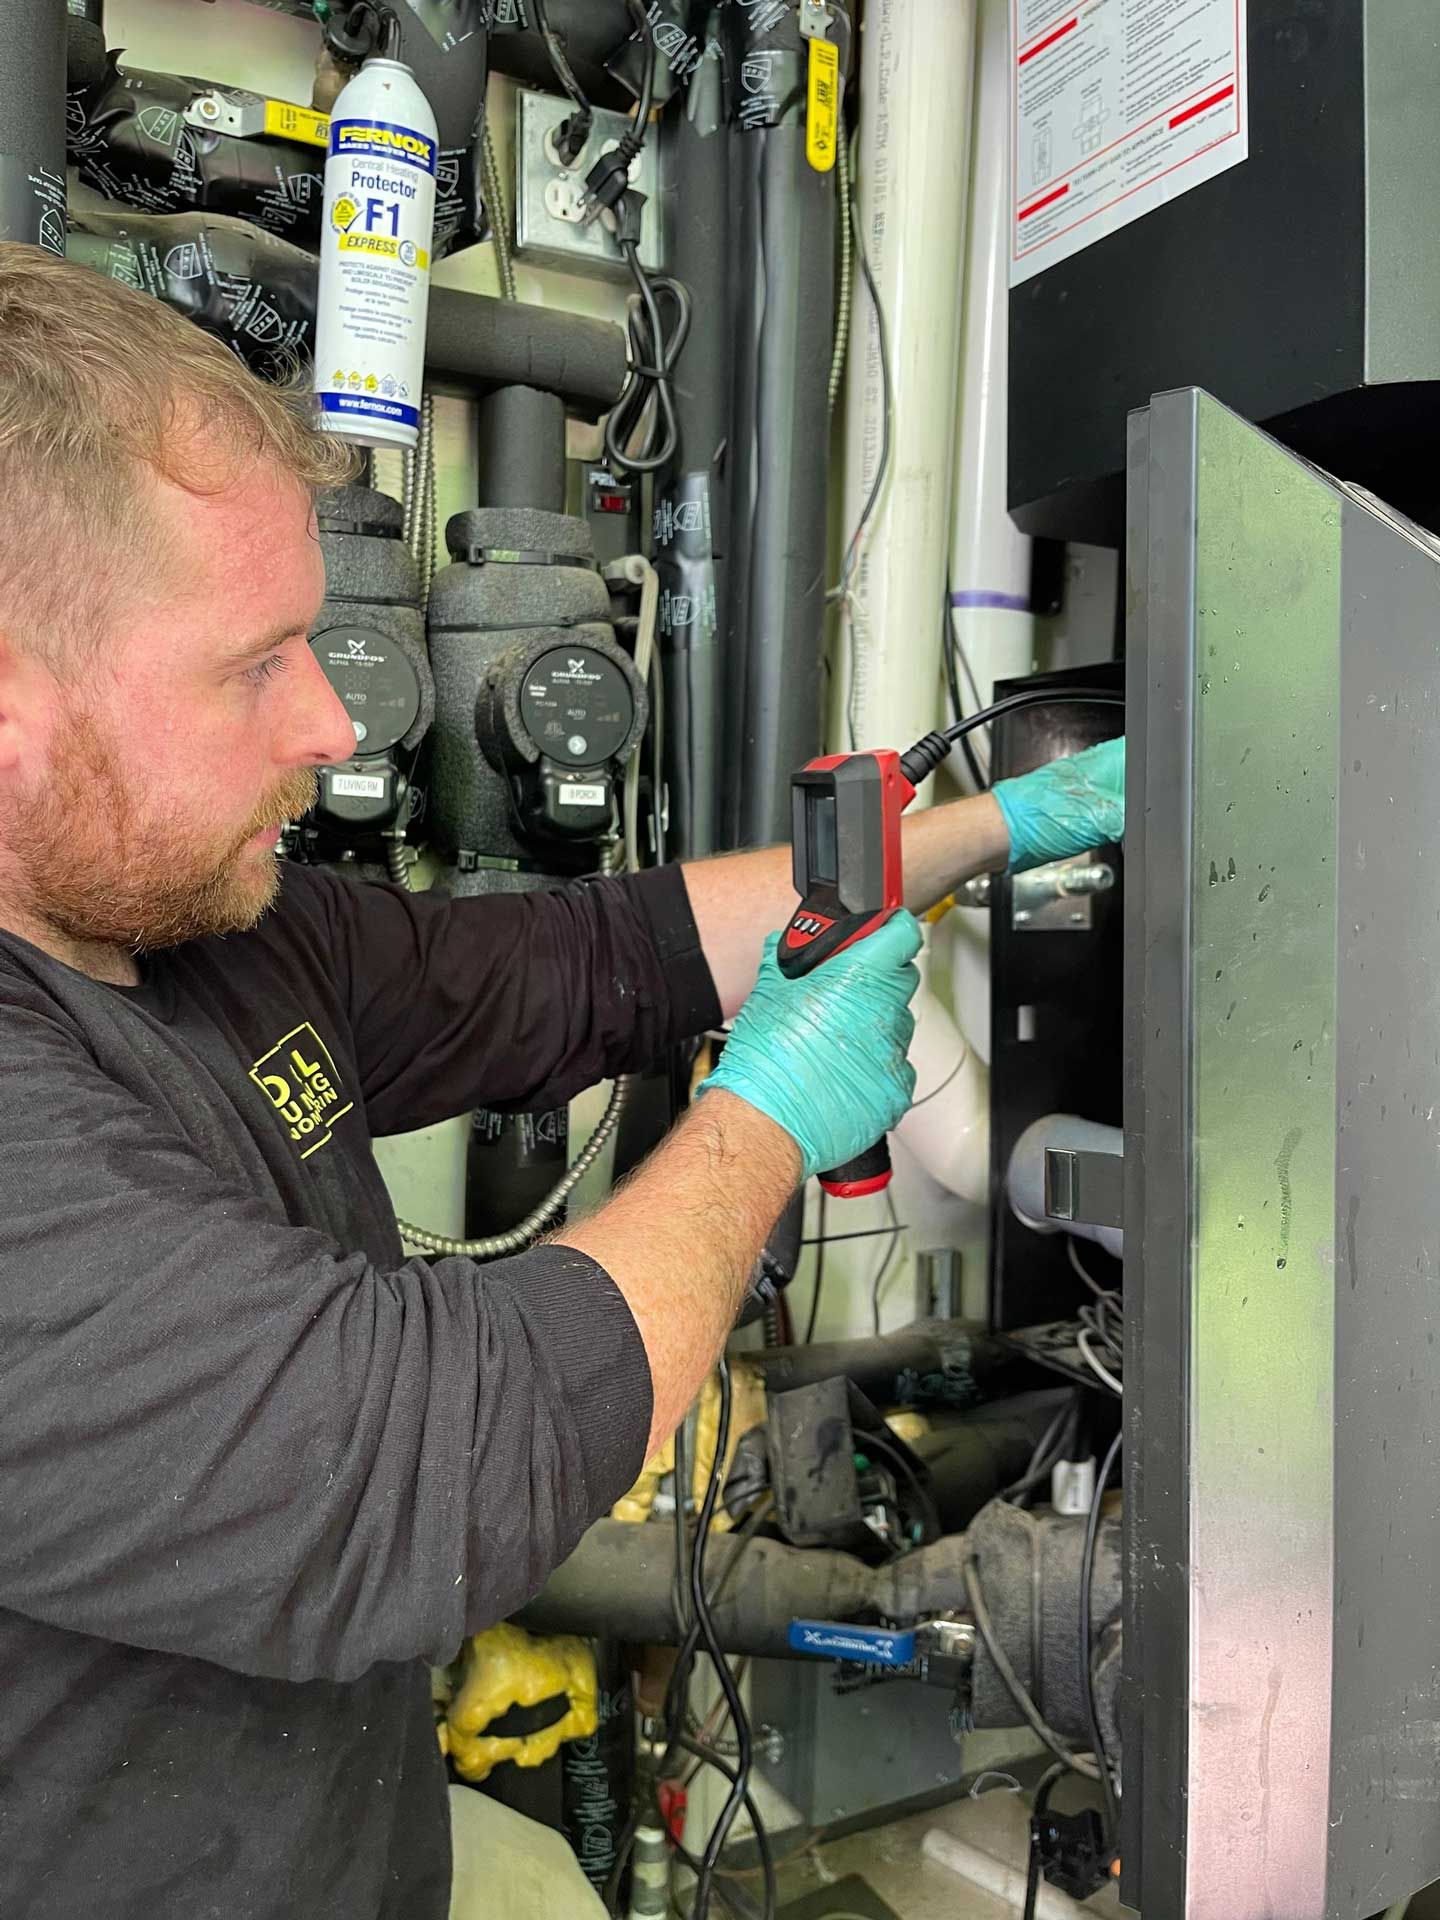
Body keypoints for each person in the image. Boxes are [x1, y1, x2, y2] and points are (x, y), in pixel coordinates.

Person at [0, 243, 1124, 1919]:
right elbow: (415, 1469)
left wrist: (985, 831)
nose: (328, 721)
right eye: (251, 666)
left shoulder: (205, 926)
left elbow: (595, 959)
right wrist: (767, 1117)